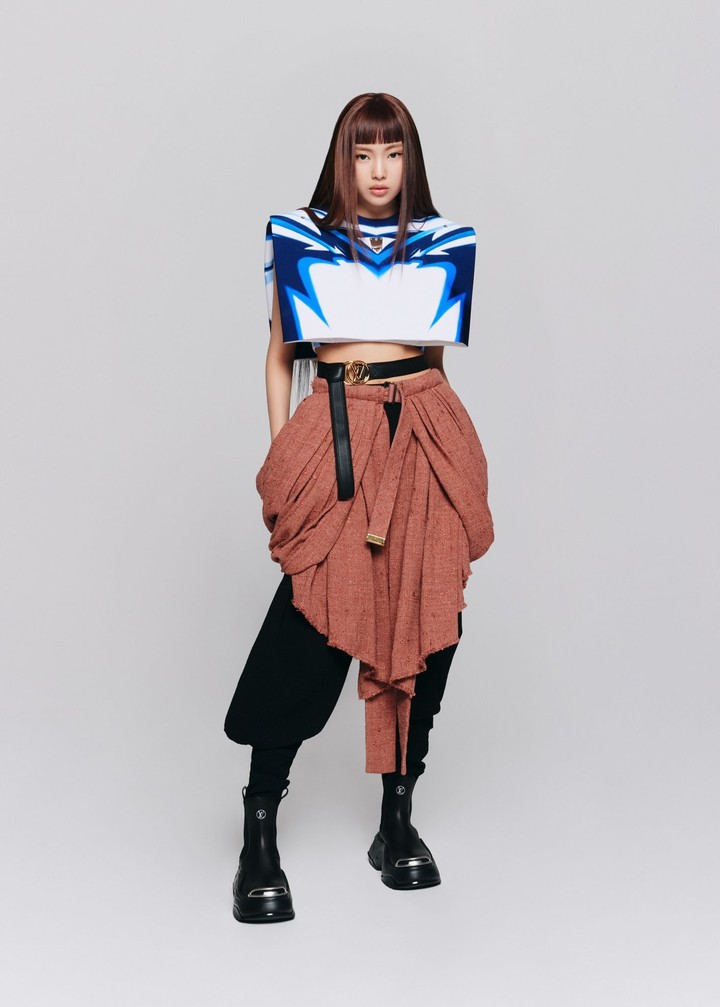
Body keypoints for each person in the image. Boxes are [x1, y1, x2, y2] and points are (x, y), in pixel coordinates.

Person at [224, 92, 494, 924]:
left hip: (425, 431)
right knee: (310, 622)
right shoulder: (300, 237)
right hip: (337, 433)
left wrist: (445, 455)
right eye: (364, 154)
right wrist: (287, 455)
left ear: (411, 161)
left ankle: (396, 820)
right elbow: (280, 356)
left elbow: (434, 362)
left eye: (394, 154)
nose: (379, 171)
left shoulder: (445, 242)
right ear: (343, 160)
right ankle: (259, 826)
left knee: (426, 617)